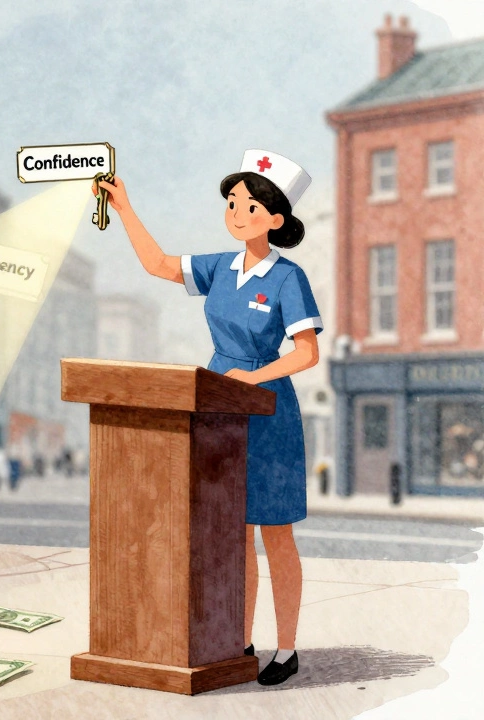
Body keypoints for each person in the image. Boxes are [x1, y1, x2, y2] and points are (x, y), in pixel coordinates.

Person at [95, 148, 321, 686]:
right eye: (232, 203)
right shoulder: (220, 267)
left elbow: (307, 353)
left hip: (268, 411)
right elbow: (157, 264)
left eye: (249, 206)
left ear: (275, 219)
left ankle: (286, 648)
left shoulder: (288, 278)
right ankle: (237, 640)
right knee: (232, 535)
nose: (236, 213)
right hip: (216, 404)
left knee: (275, 534)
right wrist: (124, 208)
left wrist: (252, 378)